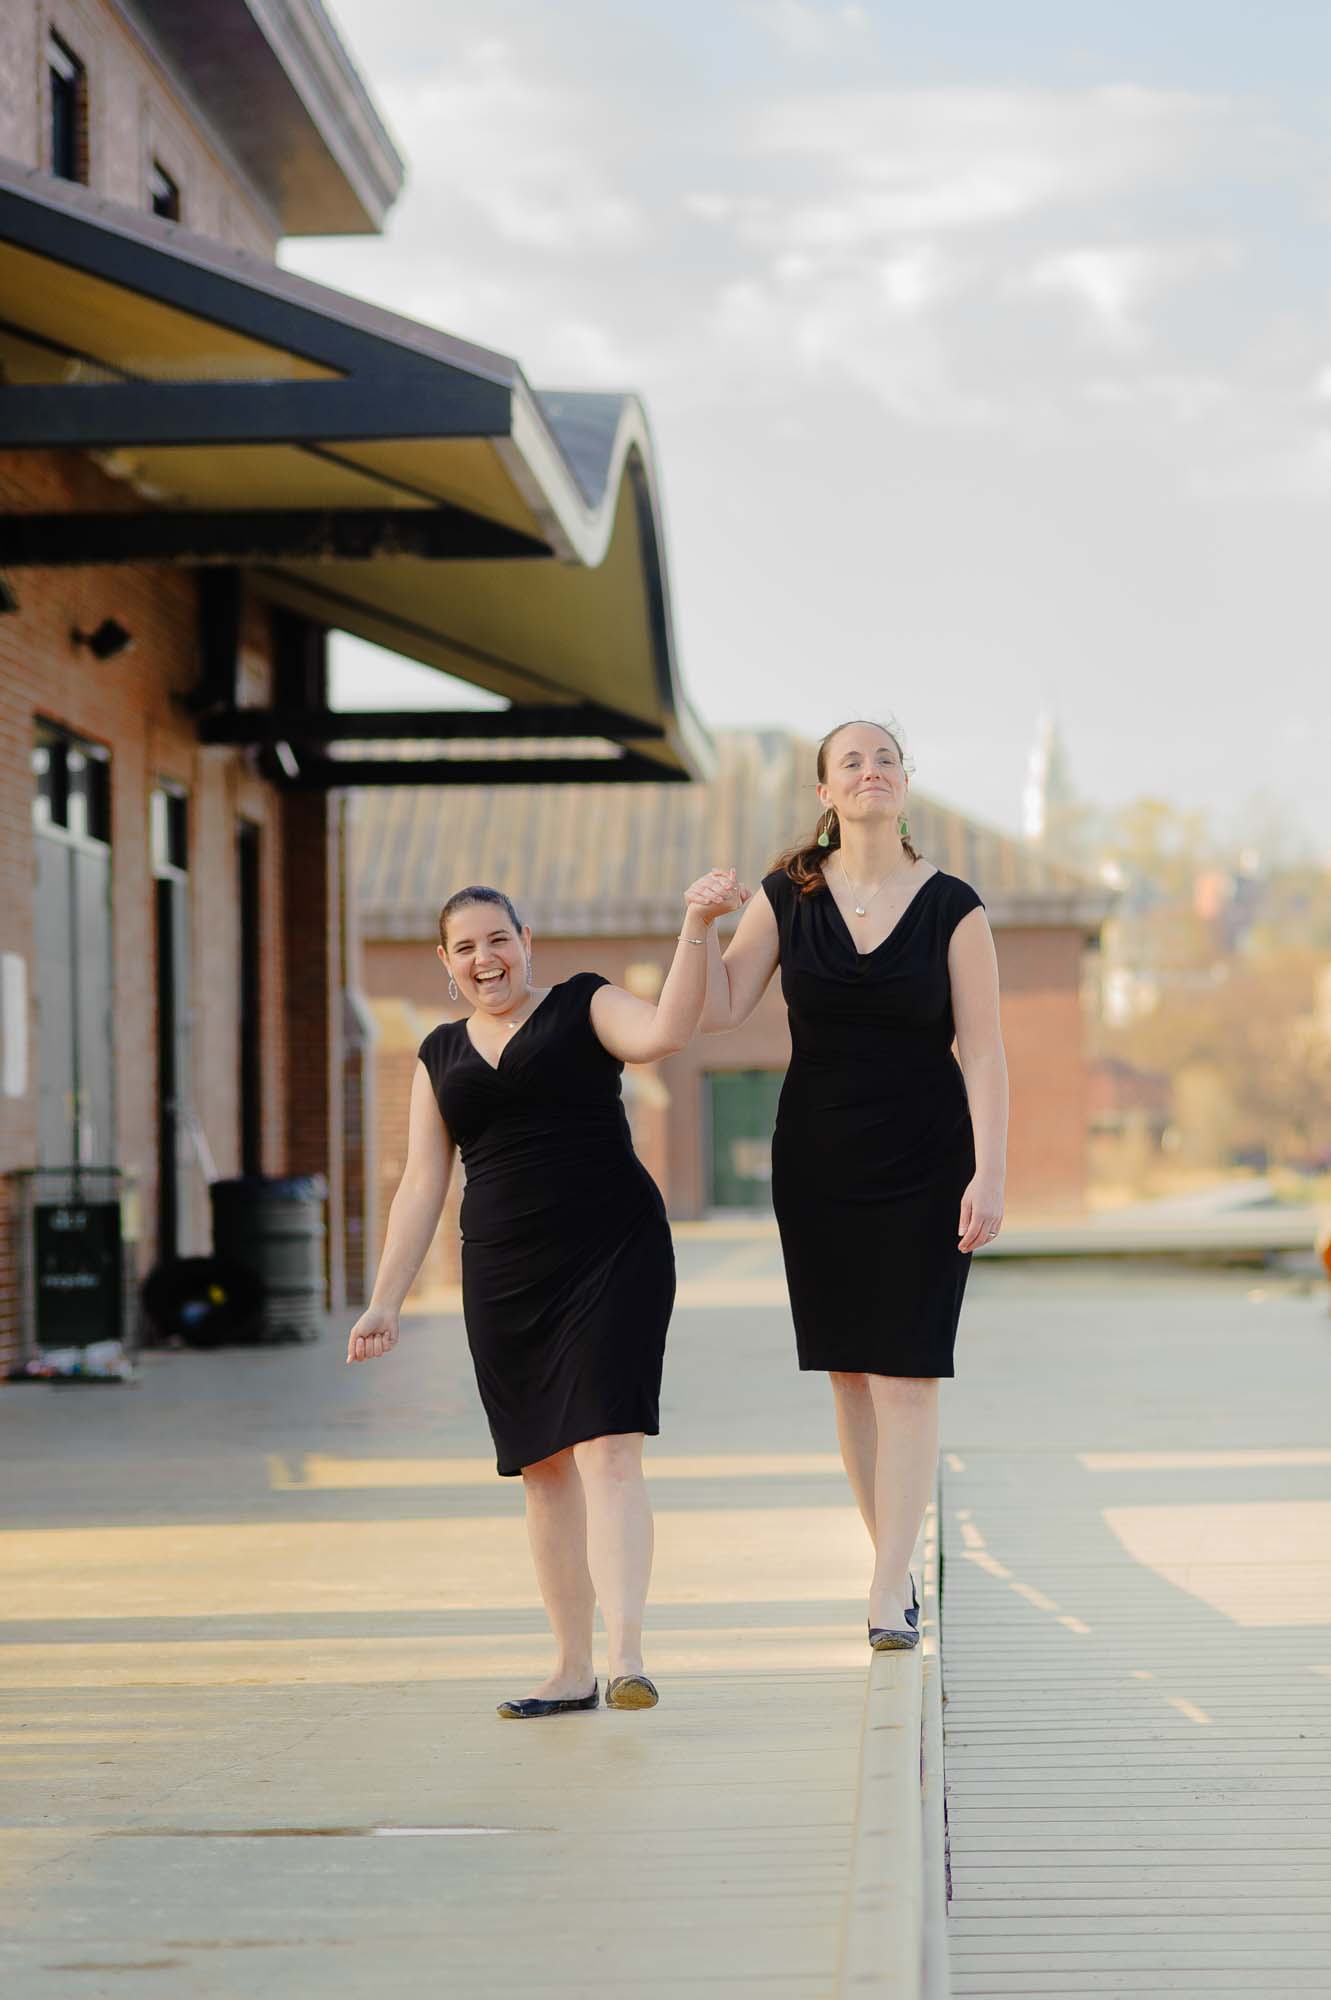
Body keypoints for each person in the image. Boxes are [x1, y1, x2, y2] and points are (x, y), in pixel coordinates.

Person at [346, 872, 741, 1717]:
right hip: (503, 1274)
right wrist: (384, 1299)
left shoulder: (583, 1004)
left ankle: (627, 1654)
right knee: (541, 1468)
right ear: (444, 964)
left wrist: (696, 922)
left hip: (612, 1253)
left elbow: (668, 1031)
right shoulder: (438, 1053)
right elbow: (422, 1183)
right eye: (466, 947)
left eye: (499, 939)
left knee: (607, 1447)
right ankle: (570, 1668)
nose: (485, 959)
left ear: (527, 943)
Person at [696, 719, 1008, 1649]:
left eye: (884, 758)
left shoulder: (955, 906)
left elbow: (984, 1052)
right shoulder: (784, 897)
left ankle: (882, 1592)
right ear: (824, 793)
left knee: (906, 1373)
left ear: (905, 783)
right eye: (850, 762)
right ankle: (893, 1567)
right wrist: (694, 925)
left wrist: (990, 1171)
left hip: (928, 1158)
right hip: (820, 1160)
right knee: (848, 1374)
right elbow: (713, 1009)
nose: (870, 771)